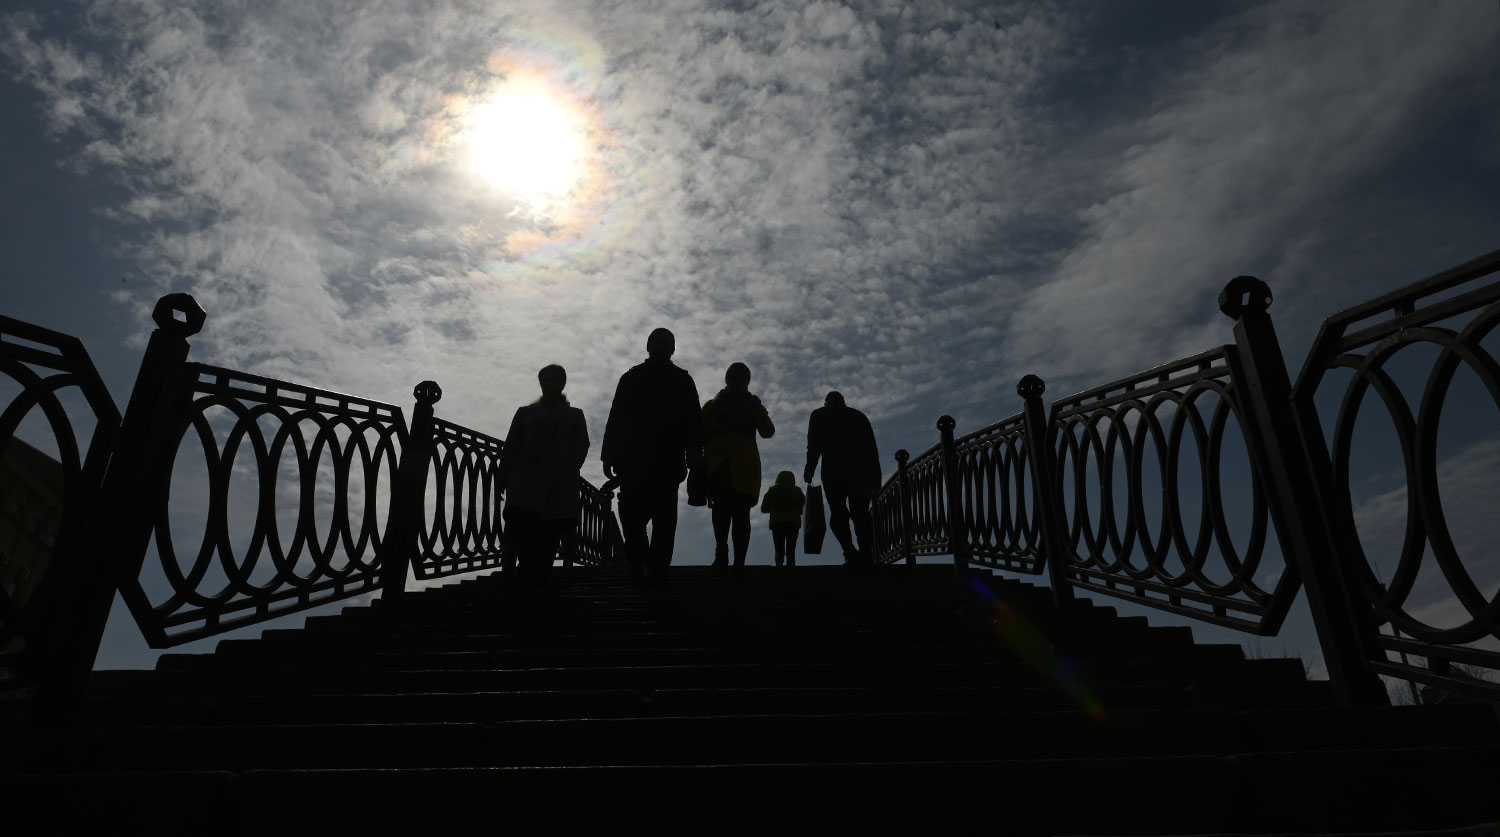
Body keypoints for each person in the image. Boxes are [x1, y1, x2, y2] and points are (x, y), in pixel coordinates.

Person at [602, 328, 703, 585]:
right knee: (632, 516)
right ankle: (638, 562)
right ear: (648, 346)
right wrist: (608, 454)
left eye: (666, 343)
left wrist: (693, 449)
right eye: (657, 342)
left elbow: (694, 419)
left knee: (664, 519)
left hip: (668, 459)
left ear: (673, 349)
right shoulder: (631, 378)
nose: (661, 346)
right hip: (633, 459)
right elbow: (616, 417)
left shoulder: (682, 380)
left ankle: (658, 568)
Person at [497, 364, 589, 589]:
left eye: (555, 380)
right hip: (525, 479)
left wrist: (569, 464)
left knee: (549, 535)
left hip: (558, 482)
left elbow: (582, 444)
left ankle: (538, 582)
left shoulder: (575, 415)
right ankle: (522, 580)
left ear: (563, 384)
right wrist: (502, 476)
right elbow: (511, 446)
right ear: (540, 383)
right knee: (522, 531)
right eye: (546, 380)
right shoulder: (525, 413)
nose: (550, 384)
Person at [702, 362, 775, 578]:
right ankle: (724, 554)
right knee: (723, 511)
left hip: (742, 468)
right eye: (733, 377)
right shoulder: (712, 406)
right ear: (727, 379)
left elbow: (768, 431)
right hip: (722, 465)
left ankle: (737, 561)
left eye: (741, 378)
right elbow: (697, 433)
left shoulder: (751, 405)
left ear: (747, 381)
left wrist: (758, 409)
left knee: (738, 514)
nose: (737, 381)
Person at [804, 391, 880, 566]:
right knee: (860, 513)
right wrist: (877, 478)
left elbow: (814, 445)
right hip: (861, 473)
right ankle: (866, 552)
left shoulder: (819, 415)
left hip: (833, 473)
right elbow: (872, 449)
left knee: (838, 514)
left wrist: (809, 470)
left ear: (826, 403)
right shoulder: (859, 416)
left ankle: (849, 551)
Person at [759, 470, 805, 568]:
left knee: (779, 549)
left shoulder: (772, 489)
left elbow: (763, 508)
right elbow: (805, 509)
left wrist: (773, 507)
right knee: (791, 550)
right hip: (793, 523)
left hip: (777, 523)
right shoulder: (797, 490)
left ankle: (779, 567)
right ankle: (791, 567)